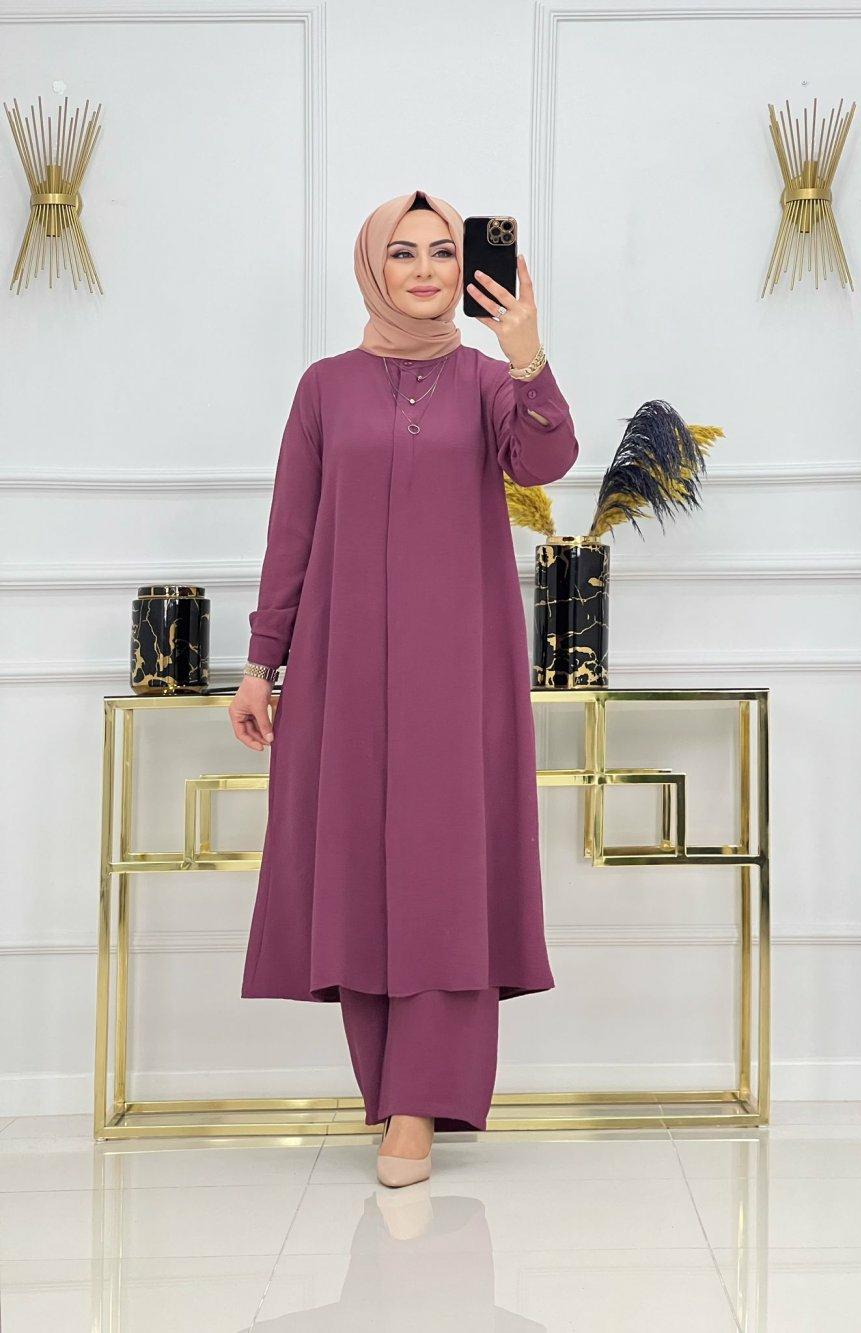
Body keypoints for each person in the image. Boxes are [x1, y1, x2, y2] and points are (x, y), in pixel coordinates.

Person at [229, 189, 579, 1187]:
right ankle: (392, 1090)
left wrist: (527, 351)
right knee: (357, 867)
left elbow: (547, 458)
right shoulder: (324, 389)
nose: (425, 270)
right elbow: (292, 531)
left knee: (444, 869)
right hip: (341, 667)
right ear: (371, 268)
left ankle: (419, 1103)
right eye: (403, 252)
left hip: (459, 668)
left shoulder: (487, 381)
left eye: (442, 252)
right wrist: (260, 662)